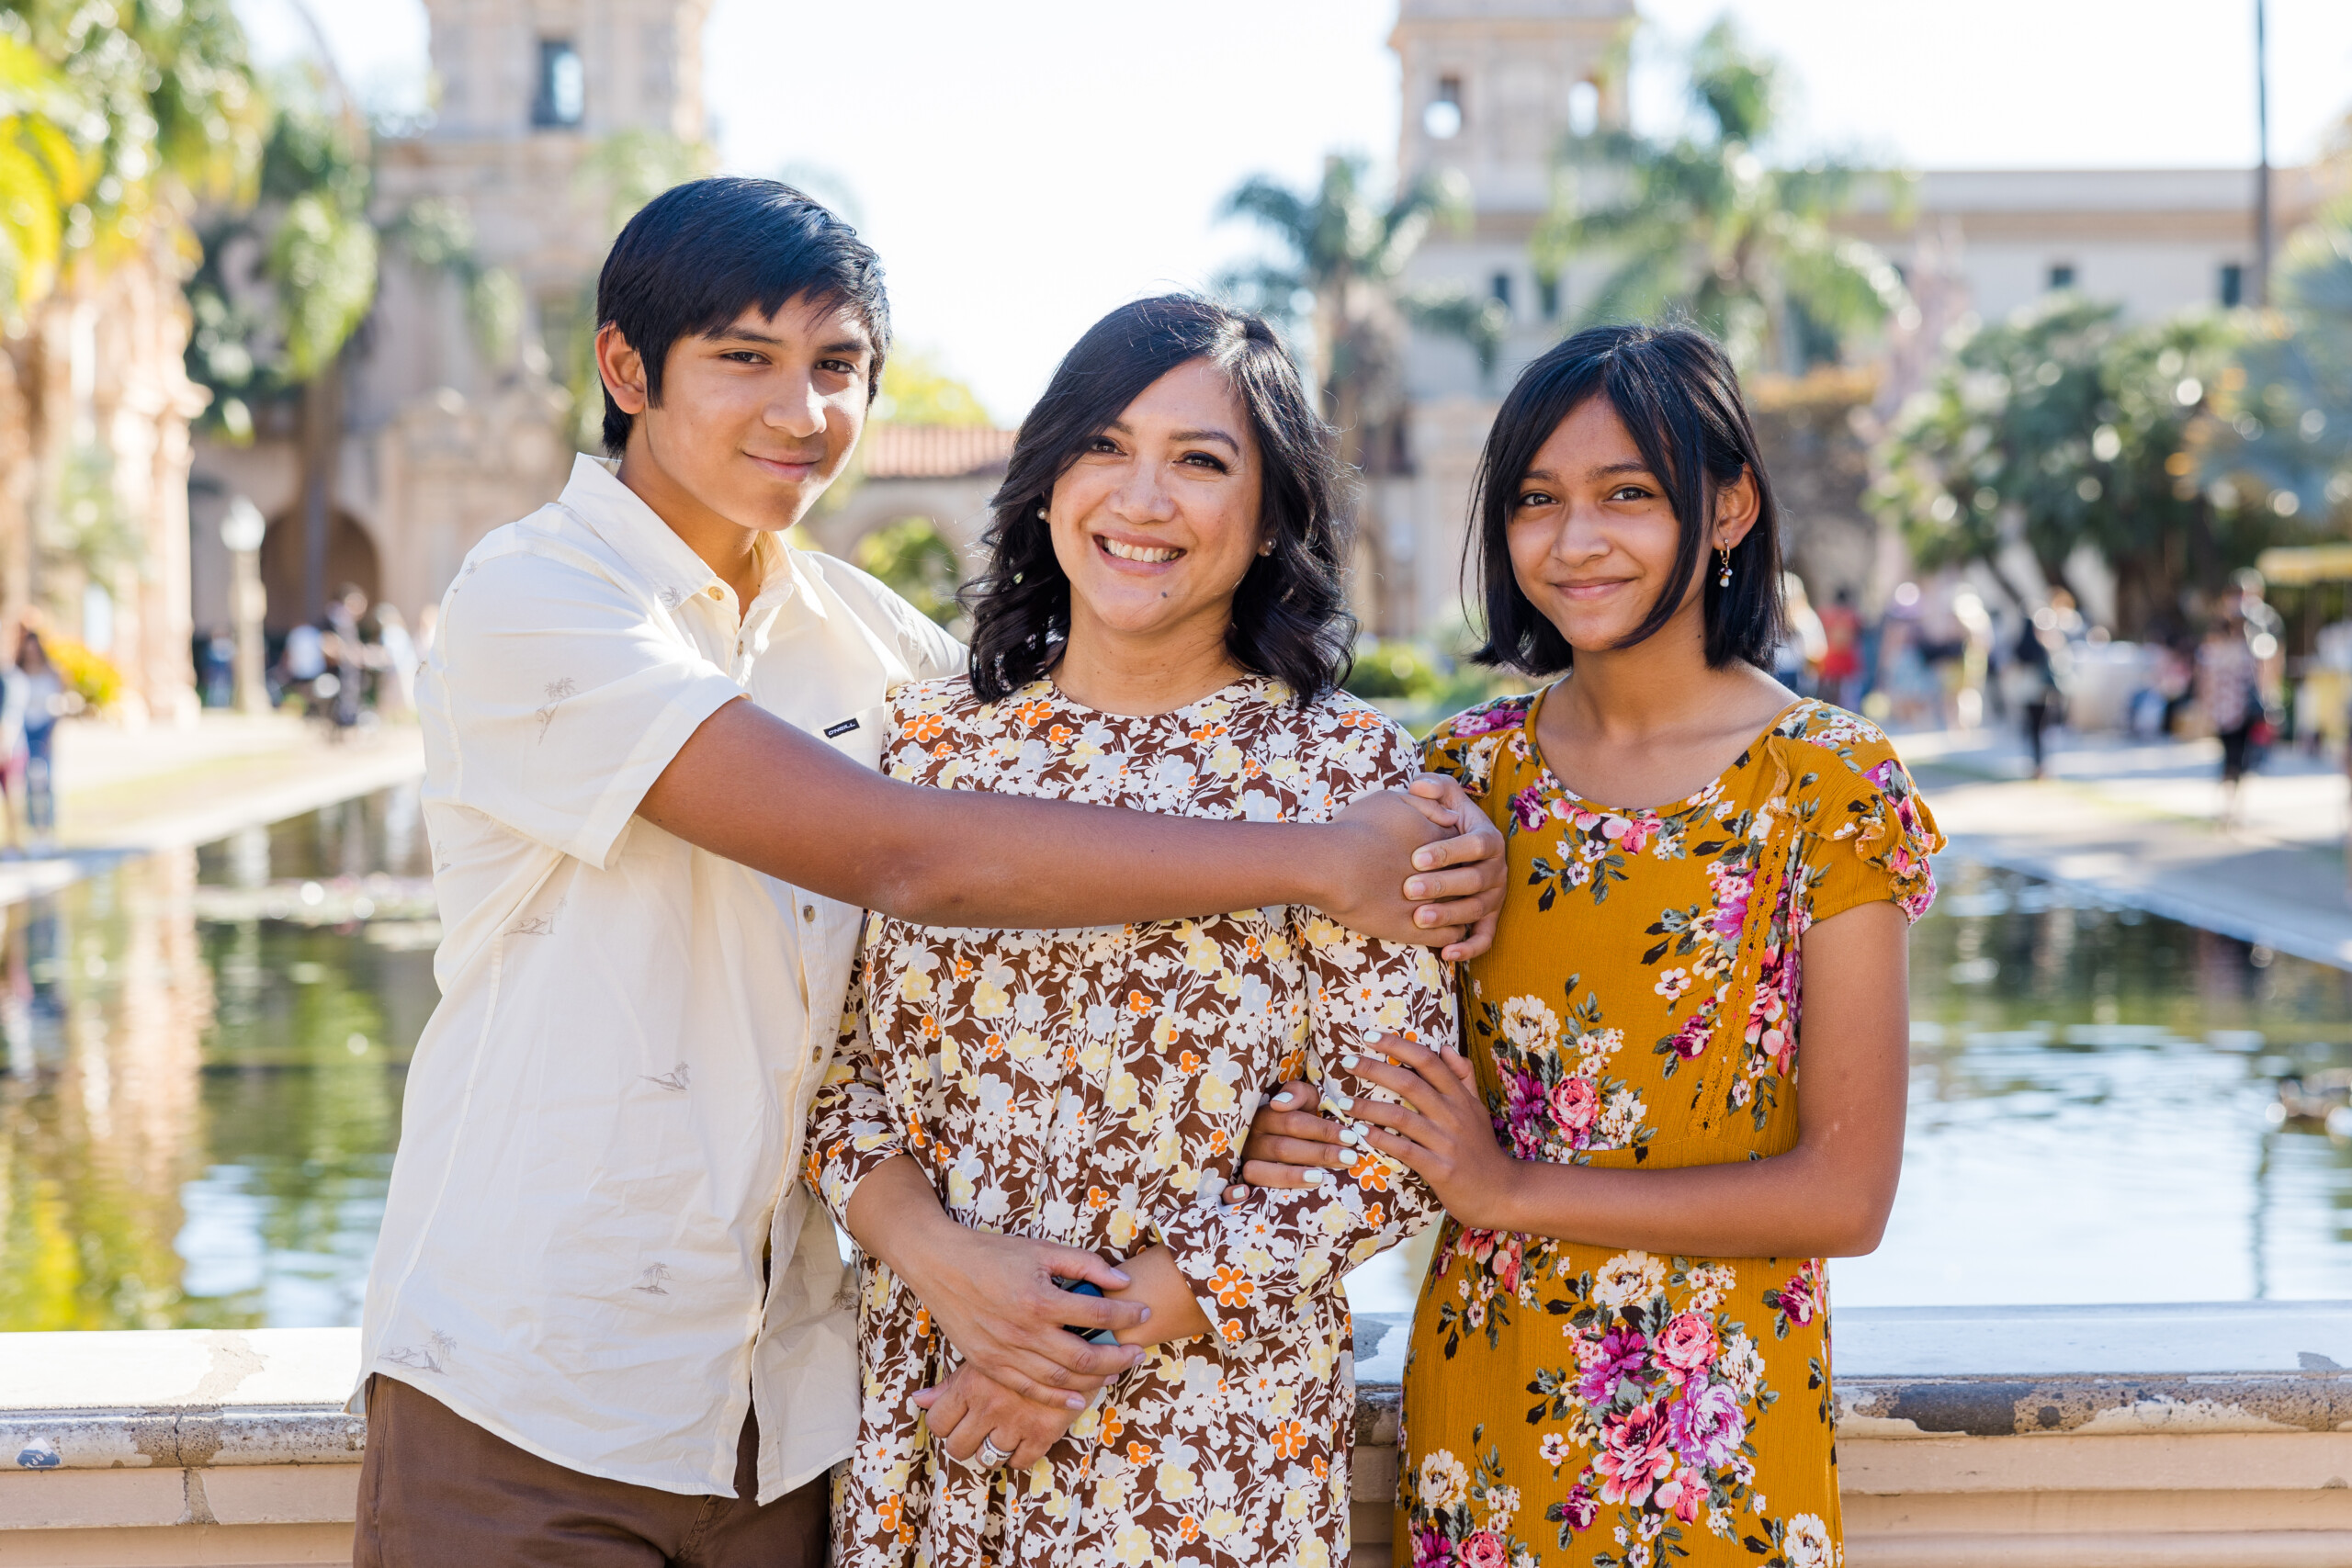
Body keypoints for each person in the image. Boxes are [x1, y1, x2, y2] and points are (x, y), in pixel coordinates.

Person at [348, 179, 1507, 1568]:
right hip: (539, 1377)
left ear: (1270, 511)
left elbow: (1383, 1135)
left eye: (837, 367)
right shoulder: (539, 598)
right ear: (625, 367)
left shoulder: (876, 658)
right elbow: (915, 866)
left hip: (806, 1417)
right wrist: (1324, 866)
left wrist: (1435, 842)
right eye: (744, 357)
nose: (800, 410)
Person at [1240, 323, 1939, 1566]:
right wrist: (1289, 1118)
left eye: (1628, 494)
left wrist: (1510, 1188)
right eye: (1537, 500)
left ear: (1726, 509)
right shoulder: (1460, 778)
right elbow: (1362, 1075)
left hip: (1723, 1423)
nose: (1575, 540)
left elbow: (1847, 1191)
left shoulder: (1827, 782)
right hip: (1486, 1411)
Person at [808, 297, 1453, 1566]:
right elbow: (832, 1077)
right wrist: (946, 1269)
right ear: (1048, 484)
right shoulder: (925, 749)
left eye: (1201, 460)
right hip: (937, 1422)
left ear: (1271, 516)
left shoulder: (1346, 776)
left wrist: (1064, 1346)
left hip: (1208, 1453)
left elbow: (1392, 1148)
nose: (1142, 497)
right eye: (1104, 446)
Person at [2199, 610, 2263, 829]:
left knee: (2229, 760)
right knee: (2239, 761)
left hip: (2224, 715)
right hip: (2242, 714)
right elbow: (2256, 683)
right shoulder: (2245, 653)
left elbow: (2207, 686)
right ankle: (2233, 808)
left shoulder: (2212, 654)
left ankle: (2227, 809)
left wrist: (2207, 712)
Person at [2000, 616, 2060, 778]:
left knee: (2032, 730)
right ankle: (2041, 765)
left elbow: (2012, 667)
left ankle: (2036, 765)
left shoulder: (2021, 647)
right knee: (2041, 730)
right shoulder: (2042, 646)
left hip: (2027, 693)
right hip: (2041, 693)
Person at [17, 629, 60, 844]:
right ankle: (33, 830)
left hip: (44, 729)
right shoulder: (19, 673)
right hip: (24, 729)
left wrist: (50, 734)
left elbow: (56, 706)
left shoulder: (50, 673)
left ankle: (49, 829)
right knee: (27, 782)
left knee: (47, 781)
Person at [1815, 585, 1861, 708]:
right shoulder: (1853, 615)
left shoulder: (1826, 614)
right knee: (1846, 696)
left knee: (1828, 695)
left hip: (1829, 657)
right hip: (1847, 659)